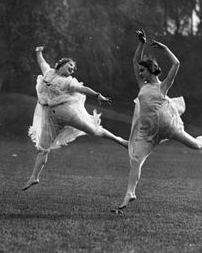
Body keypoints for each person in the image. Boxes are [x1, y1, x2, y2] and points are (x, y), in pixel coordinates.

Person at [112, 29, 202, 213]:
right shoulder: (142, 86)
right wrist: (142, 43)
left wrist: (165, 48)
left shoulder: (162, 86)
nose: (140, 73)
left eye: (143, 71)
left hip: (169, 127)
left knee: (196, 145)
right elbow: (134, 61)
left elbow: (176, 63)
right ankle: (130, 193)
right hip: (148, 134)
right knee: (136, 160)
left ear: (151, 70)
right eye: (140, 71)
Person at [22, 46, 128, 191]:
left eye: (73, 68)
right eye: (70, 65)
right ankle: (34, 177)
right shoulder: (48, 73)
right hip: (50, 118)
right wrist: (38, 52)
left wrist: (97, 95)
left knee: (93, 130)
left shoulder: (68, 82)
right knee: (42, 149)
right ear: (61, 64)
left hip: (65, 112)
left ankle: (120, 140)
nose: (72, 69)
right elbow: (42, 62)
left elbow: (82, 89)